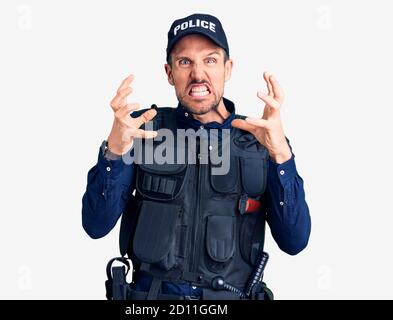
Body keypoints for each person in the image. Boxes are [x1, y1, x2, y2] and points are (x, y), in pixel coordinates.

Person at [82, 13, 311, 300]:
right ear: (169, 72)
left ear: (228, 68)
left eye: (210, 60)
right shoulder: (142, 130)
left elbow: (295, 241)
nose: (198, 74)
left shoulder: (260, 138)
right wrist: (113, 151)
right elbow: (95, 225)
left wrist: (281, 155)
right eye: (185, 62)